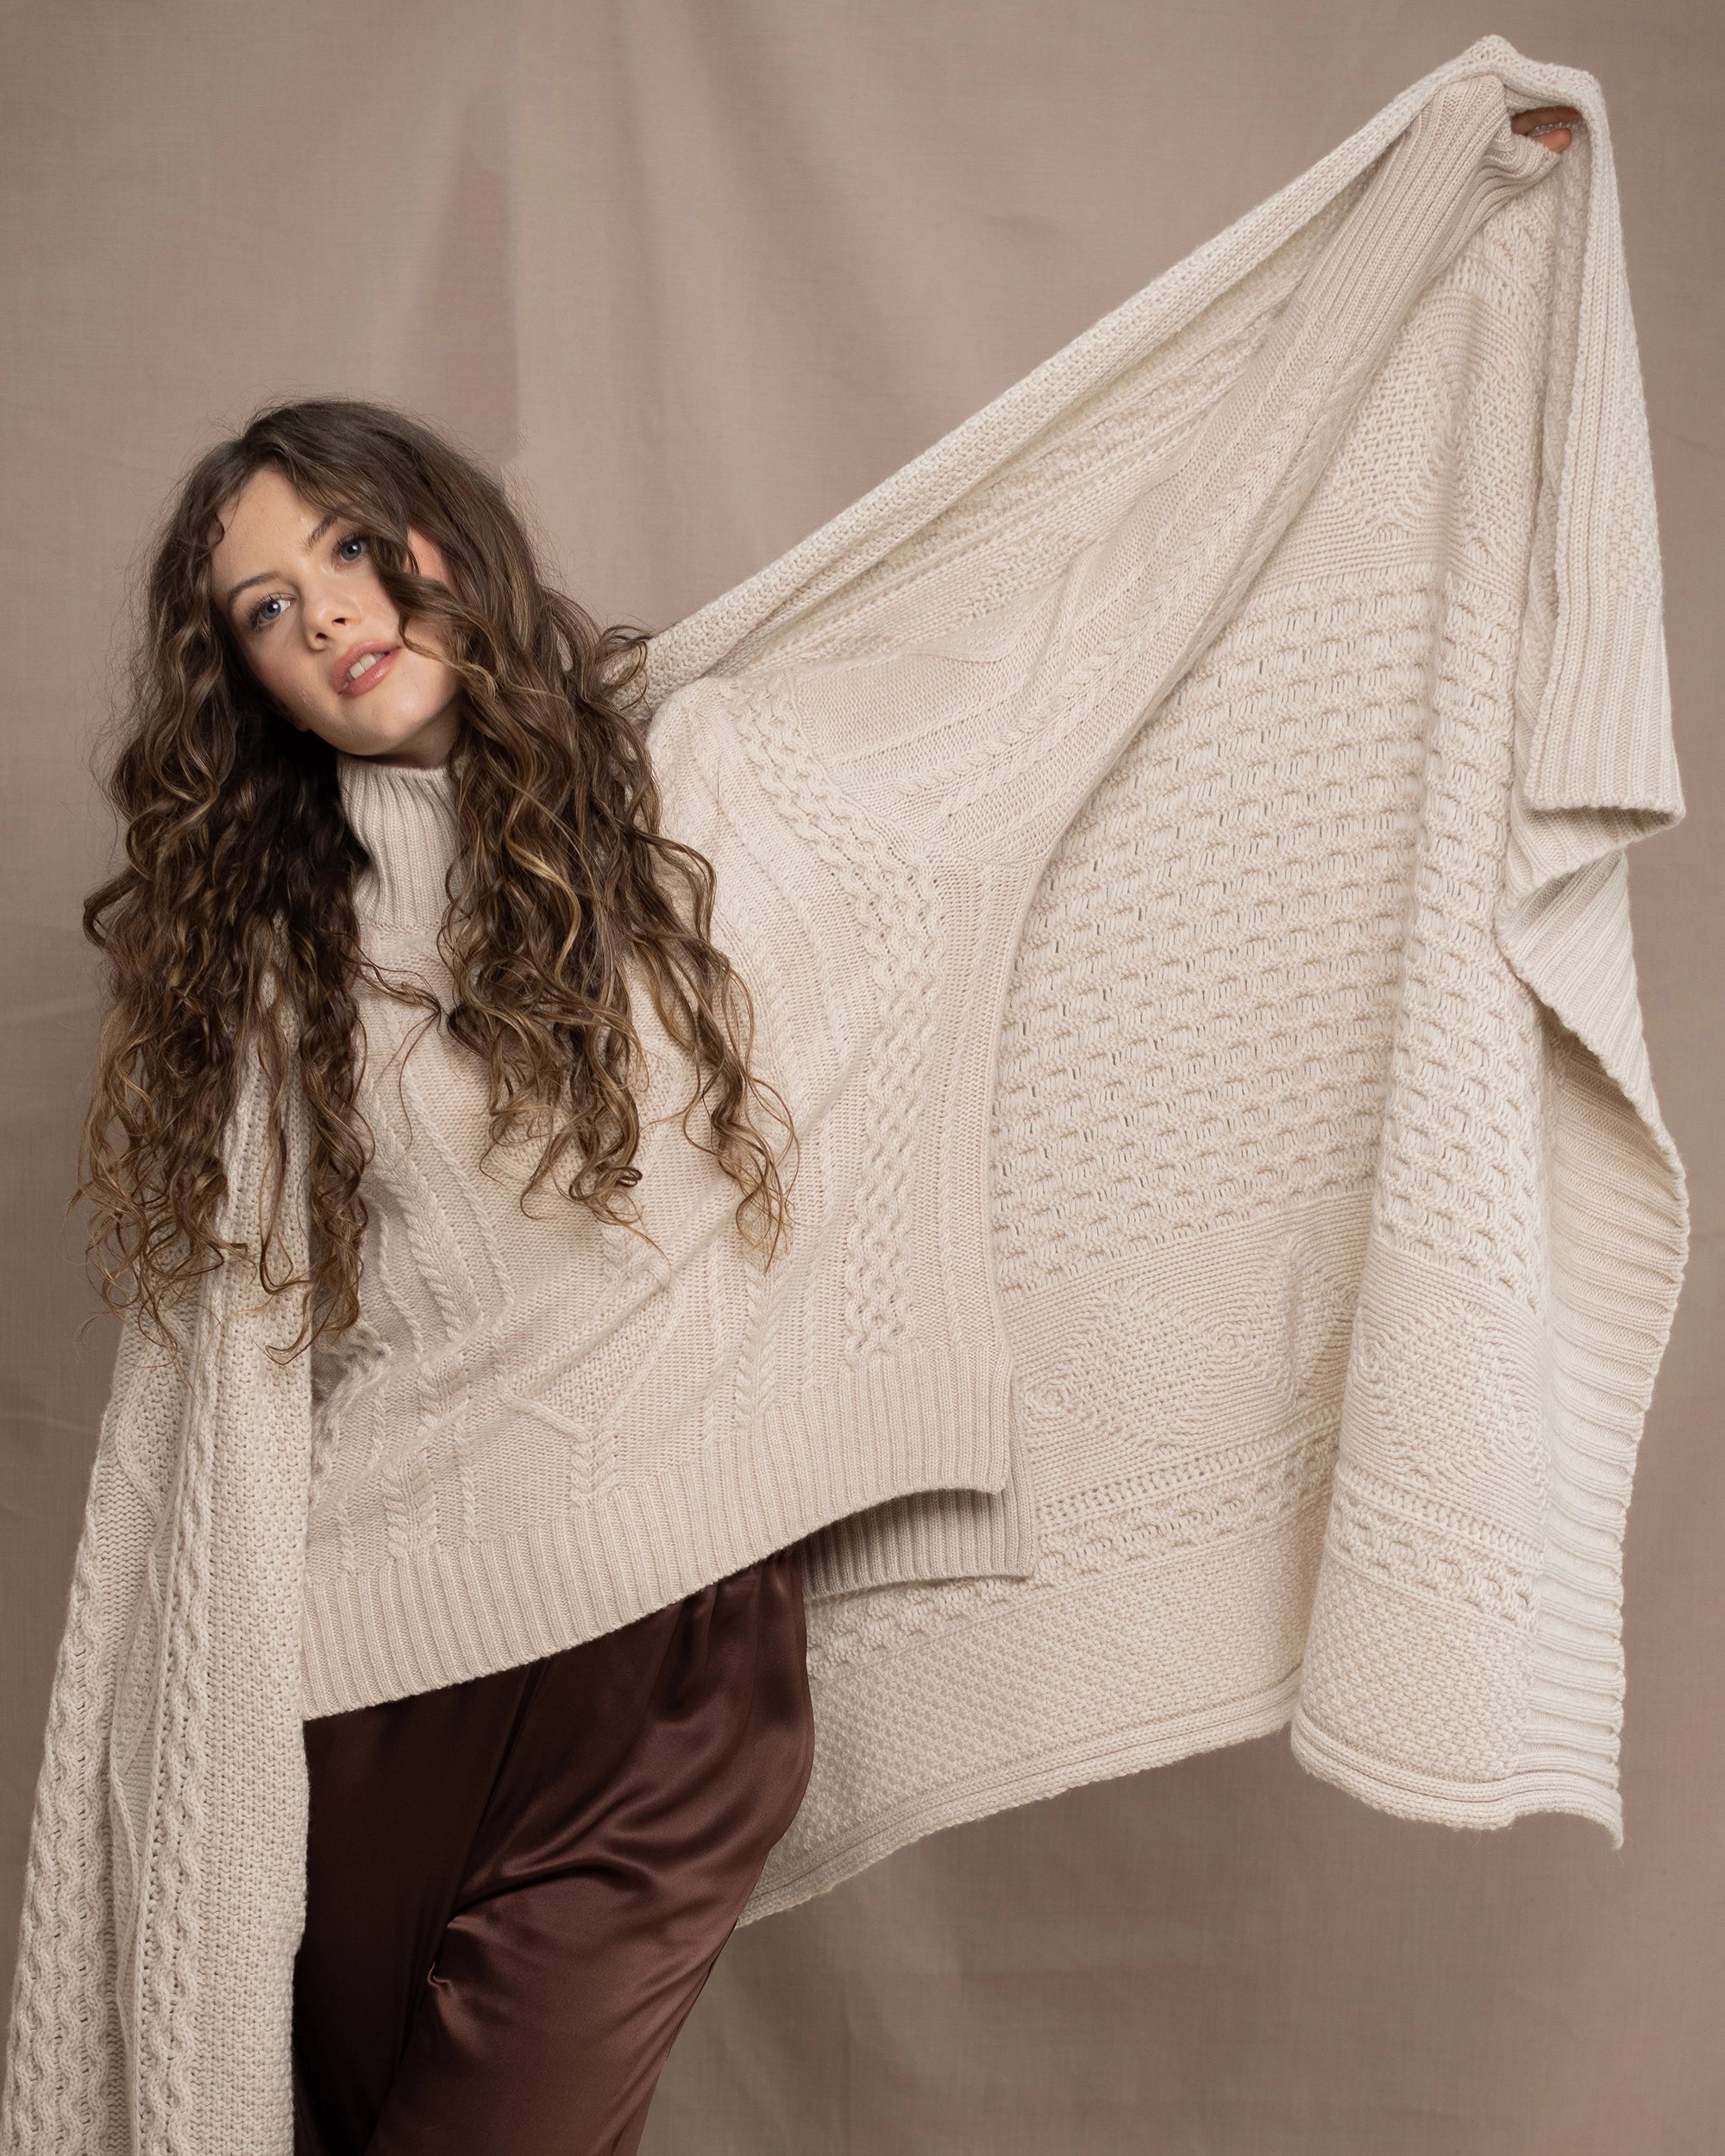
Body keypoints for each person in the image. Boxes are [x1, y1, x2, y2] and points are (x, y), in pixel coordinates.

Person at [65, 97, 1583, 2156]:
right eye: (261, 608)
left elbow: (1112, 590)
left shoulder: (742, 795)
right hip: (350, 1694)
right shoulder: (271, 966)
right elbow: (235, 1401)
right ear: (244, 680)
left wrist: (1427, 197)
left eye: (351, 540)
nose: (327, 609)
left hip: (665, 1690)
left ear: (444, 535)